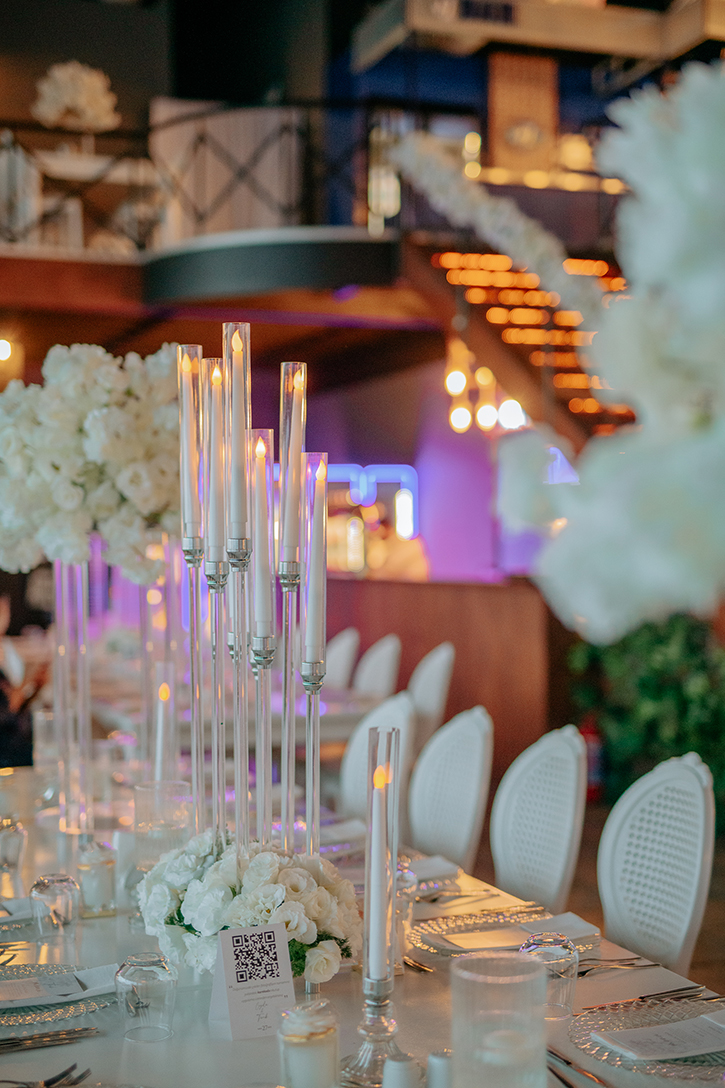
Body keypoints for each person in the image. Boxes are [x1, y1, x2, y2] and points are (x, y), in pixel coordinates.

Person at [0, 595, 48, 768]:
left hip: (19, 745)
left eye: (4, 608)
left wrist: (37, 685)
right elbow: (12, 706)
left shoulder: (7, 648)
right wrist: (31, 684)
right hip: (7, 753)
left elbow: (18, 703)